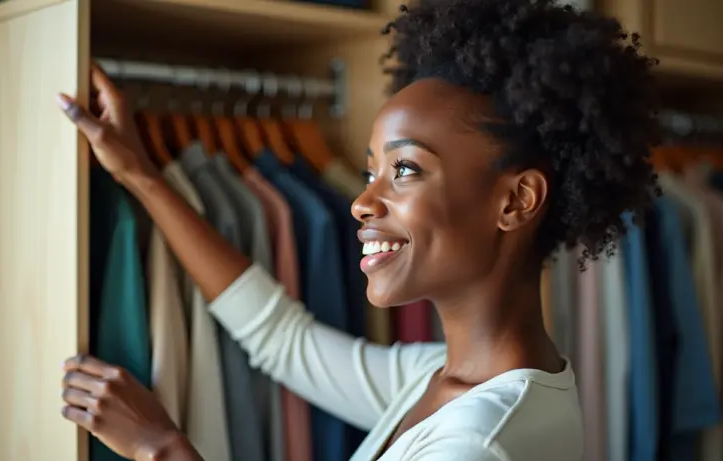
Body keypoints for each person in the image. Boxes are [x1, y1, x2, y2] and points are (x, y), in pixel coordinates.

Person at [56, 0, 661, 459]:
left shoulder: (474, 443)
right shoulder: (440, 378)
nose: (362, 201)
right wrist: (141, 174)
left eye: (404, 169)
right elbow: (280, 339)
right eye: (371, 170)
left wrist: (162, 448)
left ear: (516, 200)